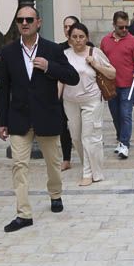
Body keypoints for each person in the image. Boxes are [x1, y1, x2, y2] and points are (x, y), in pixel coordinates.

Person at [0, 6, 80, 233]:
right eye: (20, 20)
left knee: (53, 162)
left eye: (29, 19)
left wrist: (49, 67)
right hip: (19, 118)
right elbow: (3, 89)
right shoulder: (9, 52)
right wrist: (1, 121)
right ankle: (23, 214)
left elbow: (72, 77)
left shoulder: (52, 49)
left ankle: (55, 194)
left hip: (46, 115)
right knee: (19, 165)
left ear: (38, 22)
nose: (25, 23)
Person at [62, 23, 116, 187]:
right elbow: (59, 79)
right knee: (76, 138)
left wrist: (95, 64)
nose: (78, 40)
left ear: (87, 38)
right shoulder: (64, 55)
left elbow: (112, 73)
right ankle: (92, 168)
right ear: (69, 38)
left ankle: (88, 173)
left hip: (91, 100)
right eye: (74, 37)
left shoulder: (95, 53)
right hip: (70, 101)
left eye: (81, 37)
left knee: (89, 137)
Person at [100, 11, 134, 159]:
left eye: (126, 27)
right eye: (121, 27)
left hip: (127, 84)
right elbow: (102, 61)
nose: (124, 30)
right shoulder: (105, 41)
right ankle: (120, 137)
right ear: (114, 25)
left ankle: (125, 144)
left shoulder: (133, 41)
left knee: (125, 114)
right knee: (115, 114)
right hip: (111, 84)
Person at [57, 15, 81, 172]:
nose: (68, 29)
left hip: (84, 94)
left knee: (83, 129)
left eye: (70, 26)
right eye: (65, 26)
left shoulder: (88, 47)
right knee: (64, 128)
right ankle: (66, 159)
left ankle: (87, 157)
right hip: (66, 95)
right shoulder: (59, 49)